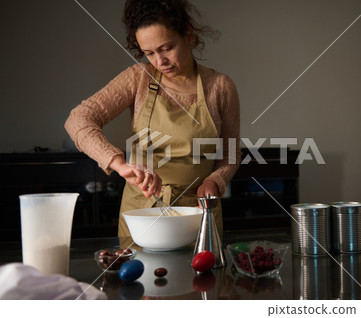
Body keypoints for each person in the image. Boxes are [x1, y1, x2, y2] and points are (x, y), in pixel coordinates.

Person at [65, 0, 240, 238]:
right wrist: (121, 165)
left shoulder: (220, 87)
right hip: (142, 217)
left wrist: (215, 181)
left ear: (188, 35)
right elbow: (78, 119)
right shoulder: (139, 78)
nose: (159, 61)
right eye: (149, 53)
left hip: (198, 216)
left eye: (166, 48)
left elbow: (230, 153)